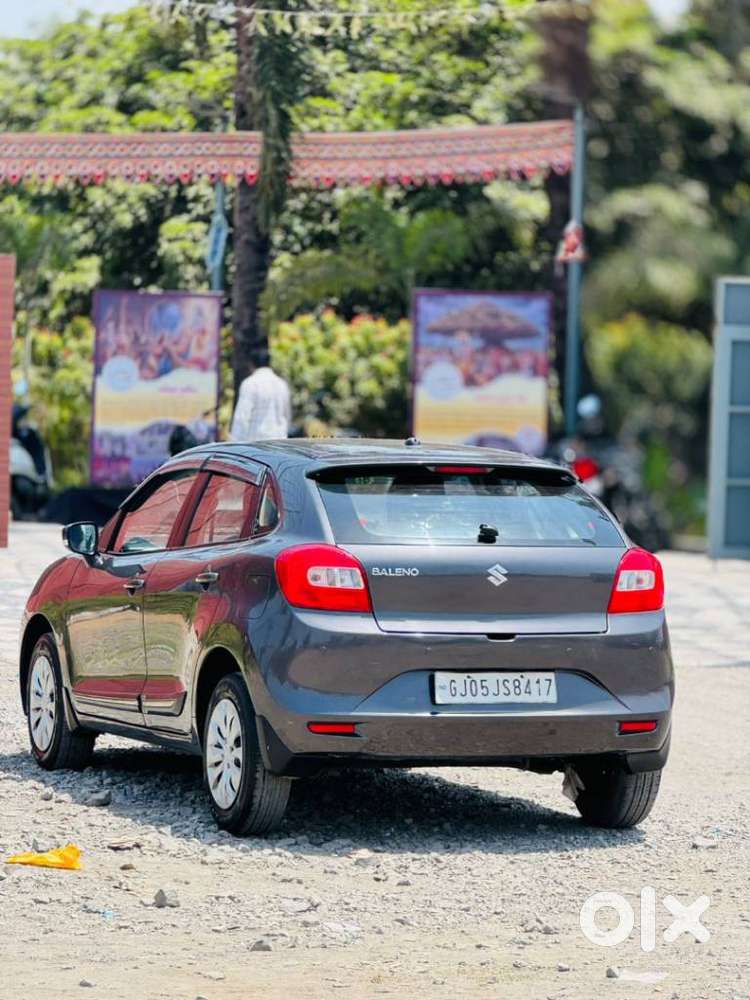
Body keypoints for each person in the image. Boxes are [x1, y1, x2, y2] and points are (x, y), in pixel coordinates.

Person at [230, 348, 292, 441]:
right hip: (279, 442)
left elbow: (242, 418)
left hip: (257, 444)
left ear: (251, 364)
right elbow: (287, 415)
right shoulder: (281, 384)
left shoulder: (250, 384)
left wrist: (235, 443)